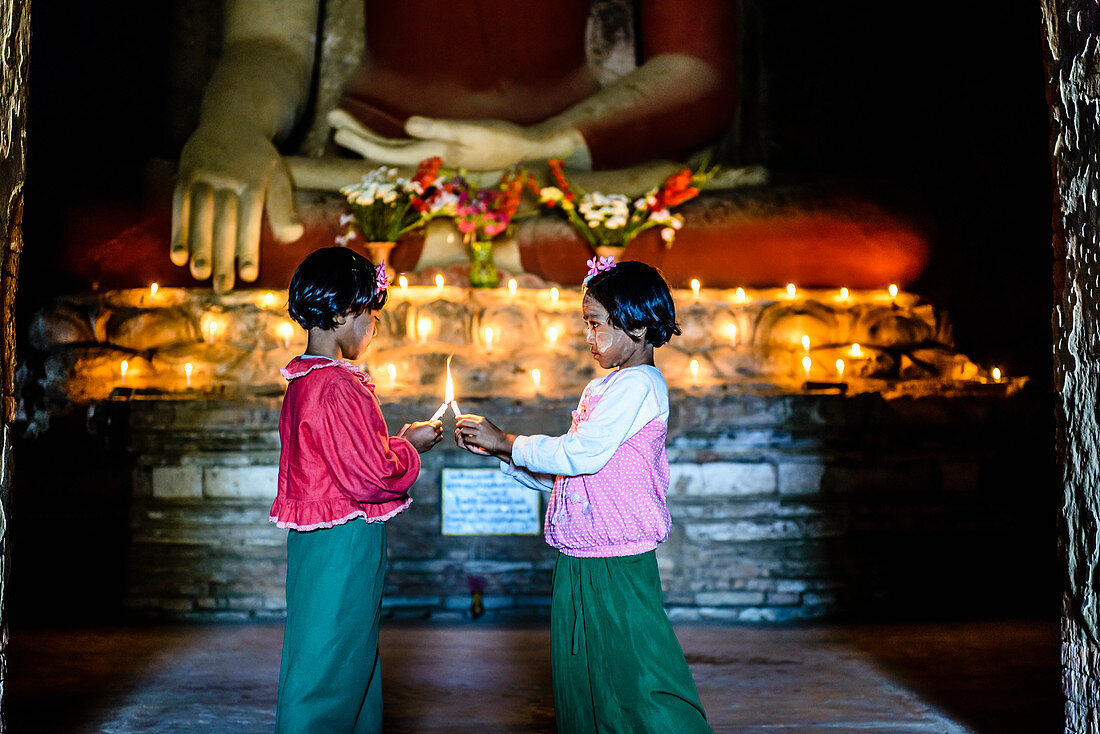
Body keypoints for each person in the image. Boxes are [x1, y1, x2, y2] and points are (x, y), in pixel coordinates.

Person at [454, 259, 711, 733]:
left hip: (615, 560)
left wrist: (507, 441)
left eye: (594, 324)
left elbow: (580, 455)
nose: (588, 337)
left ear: (635, 324)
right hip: (586, 554)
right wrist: (503, 456)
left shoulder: (638, 384)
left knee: (639, 673)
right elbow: (573, 476)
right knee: (587, 673)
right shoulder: (611, 386)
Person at [270, 246, 443, 732]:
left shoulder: (305, 380)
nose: (373, 328)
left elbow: (338, 457)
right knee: (332, 654)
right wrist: (409, 448)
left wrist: (390, 443)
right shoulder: (337, 384)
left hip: (318, 538)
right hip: (344, 540)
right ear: (344, 313)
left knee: (339, 646)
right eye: (371, 316)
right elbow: (368, 476)